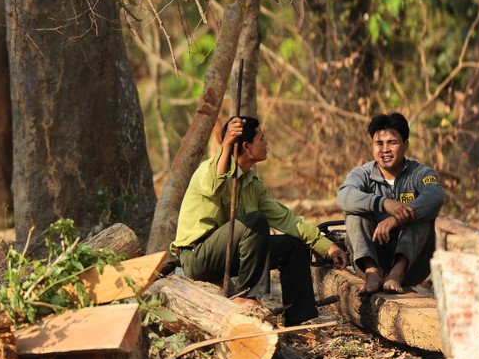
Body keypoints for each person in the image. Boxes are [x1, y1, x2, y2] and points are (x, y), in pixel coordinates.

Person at [171, 116, 347, 326]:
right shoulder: (208, 170)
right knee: (255, 221)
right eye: (262, 139)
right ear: (246, 146)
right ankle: (246, 295)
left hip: (230, 256)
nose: (267, 144)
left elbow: (287, 219)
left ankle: (298, 319)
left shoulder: (253, 184)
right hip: (198, 257)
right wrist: (226, 144)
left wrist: (327, 247)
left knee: (293, 245)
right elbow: (214, 187)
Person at [337, 112, 444, 295]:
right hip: (372, 258)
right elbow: (344, 196)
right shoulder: (362, 173)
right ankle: (373, 273)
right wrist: (382, 202)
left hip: (413, 266)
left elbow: (435, 196)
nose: (385, 149)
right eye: (379, 143)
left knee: (419, 214)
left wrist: (396, 218)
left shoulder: (421, 173)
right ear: (372, 147)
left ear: (405, 145)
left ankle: (397, 272)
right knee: (354, 212)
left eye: (392, 142)